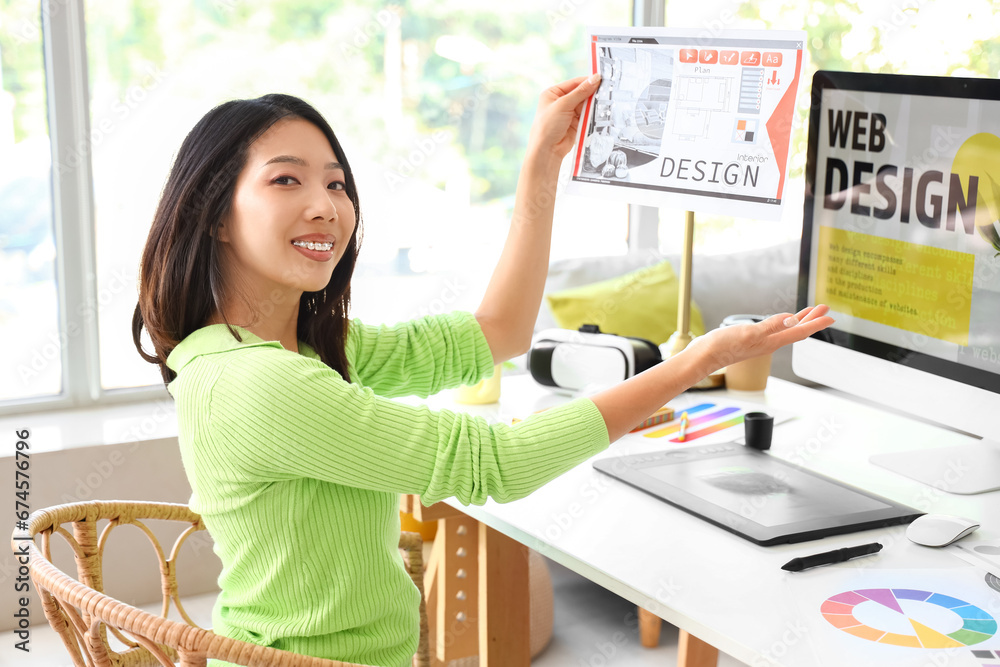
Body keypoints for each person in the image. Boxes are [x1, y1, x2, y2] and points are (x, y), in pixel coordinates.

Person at [132, 73, 833, 667]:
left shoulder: (288, 349)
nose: (326, 205)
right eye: (286, 179)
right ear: (215, 214)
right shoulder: (263, 385)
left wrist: (540, 168)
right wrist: (696, 360)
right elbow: (495, 463)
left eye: (337, 183)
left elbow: (498, 332)